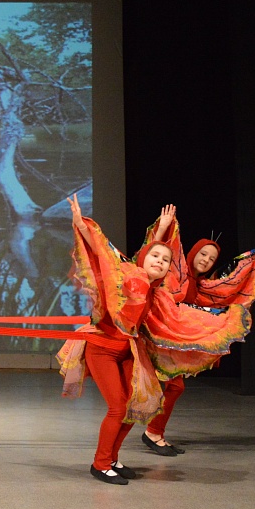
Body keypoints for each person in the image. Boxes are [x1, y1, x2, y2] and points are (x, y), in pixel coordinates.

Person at [140, 205, 255, 455]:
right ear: (193, 252)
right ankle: (149, 434)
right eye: (203, 254)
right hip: (150, 331)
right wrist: (162, 228)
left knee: (172, 387)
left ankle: (152, 432)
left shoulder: (202, 287)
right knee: (162, 388)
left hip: (168, 339)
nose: (205, 260)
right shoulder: (174, 271)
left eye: (211, 258)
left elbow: (231, 279)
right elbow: (150, 256)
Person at [56, 195, 173, 485]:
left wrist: (162, 232)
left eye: (165, 260)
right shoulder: (127, 274)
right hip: (102, 349)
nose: (159, 261)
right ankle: (100, 464)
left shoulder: (153, 289)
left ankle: (111, 458)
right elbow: (102, 250)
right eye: (155, 257)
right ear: (144, 259)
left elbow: (150, 257)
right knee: (118, 407)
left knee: (132, 408)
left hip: (127, 350)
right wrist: (80, 224)